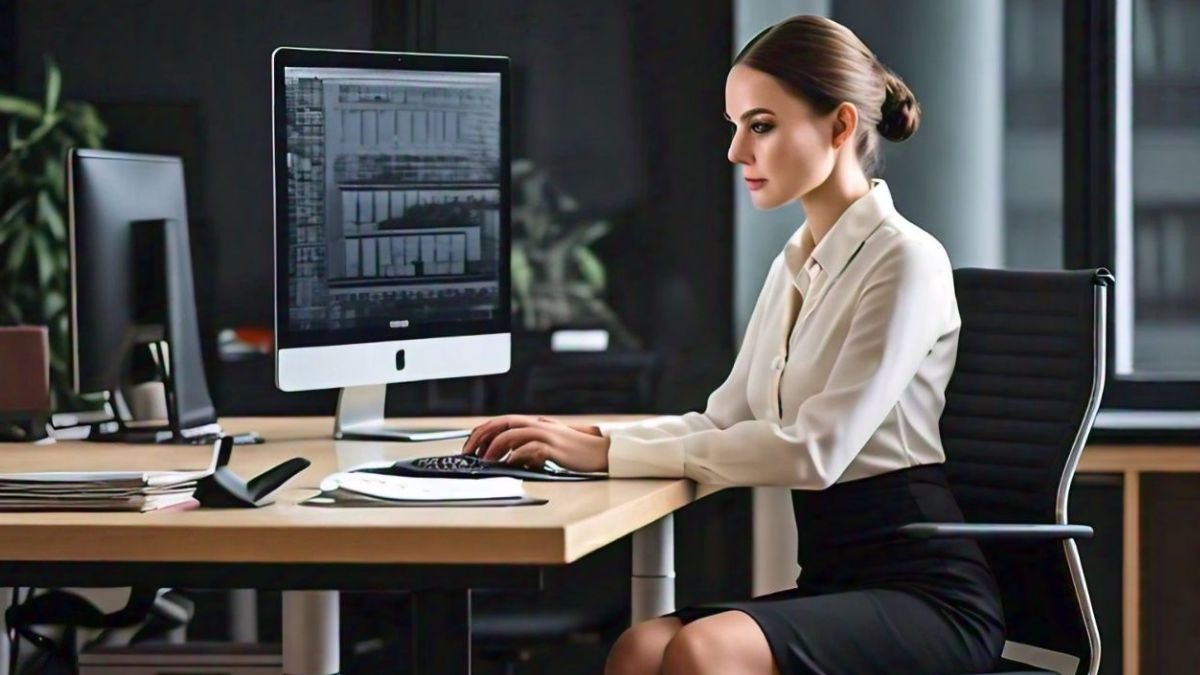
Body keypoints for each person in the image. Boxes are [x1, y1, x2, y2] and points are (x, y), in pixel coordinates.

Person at [461, 14, 1005, 675]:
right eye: (735, 126)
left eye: (762, 125)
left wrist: (607, 450)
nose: (736, 151)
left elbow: (816, 450)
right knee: (638, 647)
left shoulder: (906, 260)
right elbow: (723, 420)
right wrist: (587, 439)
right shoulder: (794, 264)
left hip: (926, 592)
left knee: (702, 648)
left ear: (840, 127)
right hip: (836, 578)